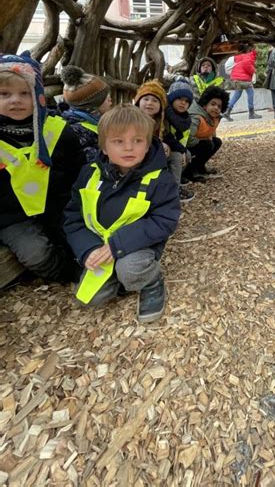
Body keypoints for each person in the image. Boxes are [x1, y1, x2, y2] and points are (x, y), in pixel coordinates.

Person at [64, 105, 180, 322]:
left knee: (130, 270)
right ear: (104, 147)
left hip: (138, 245)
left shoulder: (160, 179)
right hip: (100, 244)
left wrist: (118, 245)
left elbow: (164, 221)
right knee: (90, 300)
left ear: (147, 145)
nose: (129, 148)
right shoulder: (89, 174)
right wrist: (87, 250)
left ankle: (151, 280)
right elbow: (73, 217)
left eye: (137, 140)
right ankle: (119, 276)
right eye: (118, 141)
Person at [0, 52, 86, 283]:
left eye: (24, 93)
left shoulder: (58, 130)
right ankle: (63, 274)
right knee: (35, 253)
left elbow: (78, 169)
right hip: (11, 216)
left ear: (38, 96)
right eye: (4, 94)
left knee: (79, 235)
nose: (15, 100)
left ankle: (88, 266)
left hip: (58, 204)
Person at [60, 65, 112, 162]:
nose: (110, 100)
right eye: (105, 98)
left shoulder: (95, 123)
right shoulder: (77, 132)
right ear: (92, 106)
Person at [183, 86, 229, 182]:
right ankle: (189, 172)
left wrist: (209, 138)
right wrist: (204, 140)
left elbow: (211, 133)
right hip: (185, 147)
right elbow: (188, 140)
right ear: (204, 105)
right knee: (208, 145)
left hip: (198, 143)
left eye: (219, 106)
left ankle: (200, 167)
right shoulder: (196, 118)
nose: (216, 108)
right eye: (213, 104)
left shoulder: (213, 118)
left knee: (216, 142)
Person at [162, 79, 195, 201]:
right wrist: (181, 151)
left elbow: (183, 139)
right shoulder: (164, 114)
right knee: (177, 156)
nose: (183, 103)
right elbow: (166, 135)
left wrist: (183, 151)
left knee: (187, 155)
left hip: (173, 147)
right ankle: (173, 192)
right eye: (179, 98)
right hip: (162, 147)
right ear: (171, 99)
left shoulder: (185, 118)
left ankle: (174, 181)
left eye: (187, 101)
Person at [223, 44, 261, 120]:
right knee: (250, 93)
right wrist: (253, 70)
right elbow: (246, 64)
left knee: (237, 95)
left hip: (236, 78)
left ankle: (227, 111)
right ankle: (251, 113)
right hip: (243, 79)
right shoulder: (249, 56)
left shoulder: (242, 56)